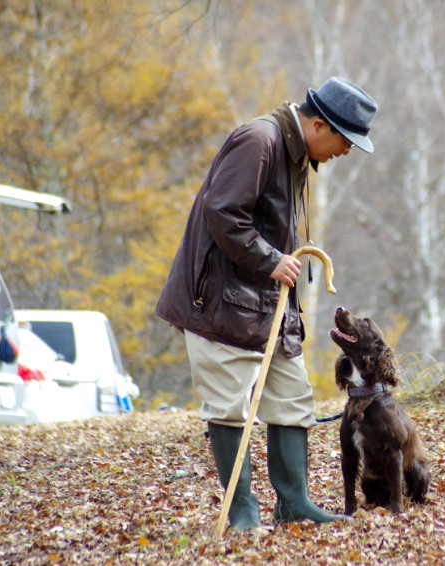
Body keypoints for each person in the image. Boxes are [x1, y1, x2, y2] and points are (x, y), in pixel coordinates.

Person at [155, 77, 378, 530]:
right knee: (228, 405)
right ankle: (242, 513)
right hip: (219, 305)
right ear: (320, 125)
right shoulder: (259, 140)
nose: (347, 151)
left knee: (292, 398)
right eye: (346, 140)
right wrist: (271, 260)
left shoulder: (294, 152)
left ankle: (294, 504)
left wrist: (276, 269)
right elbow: (224, 213)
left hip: (268, 307)